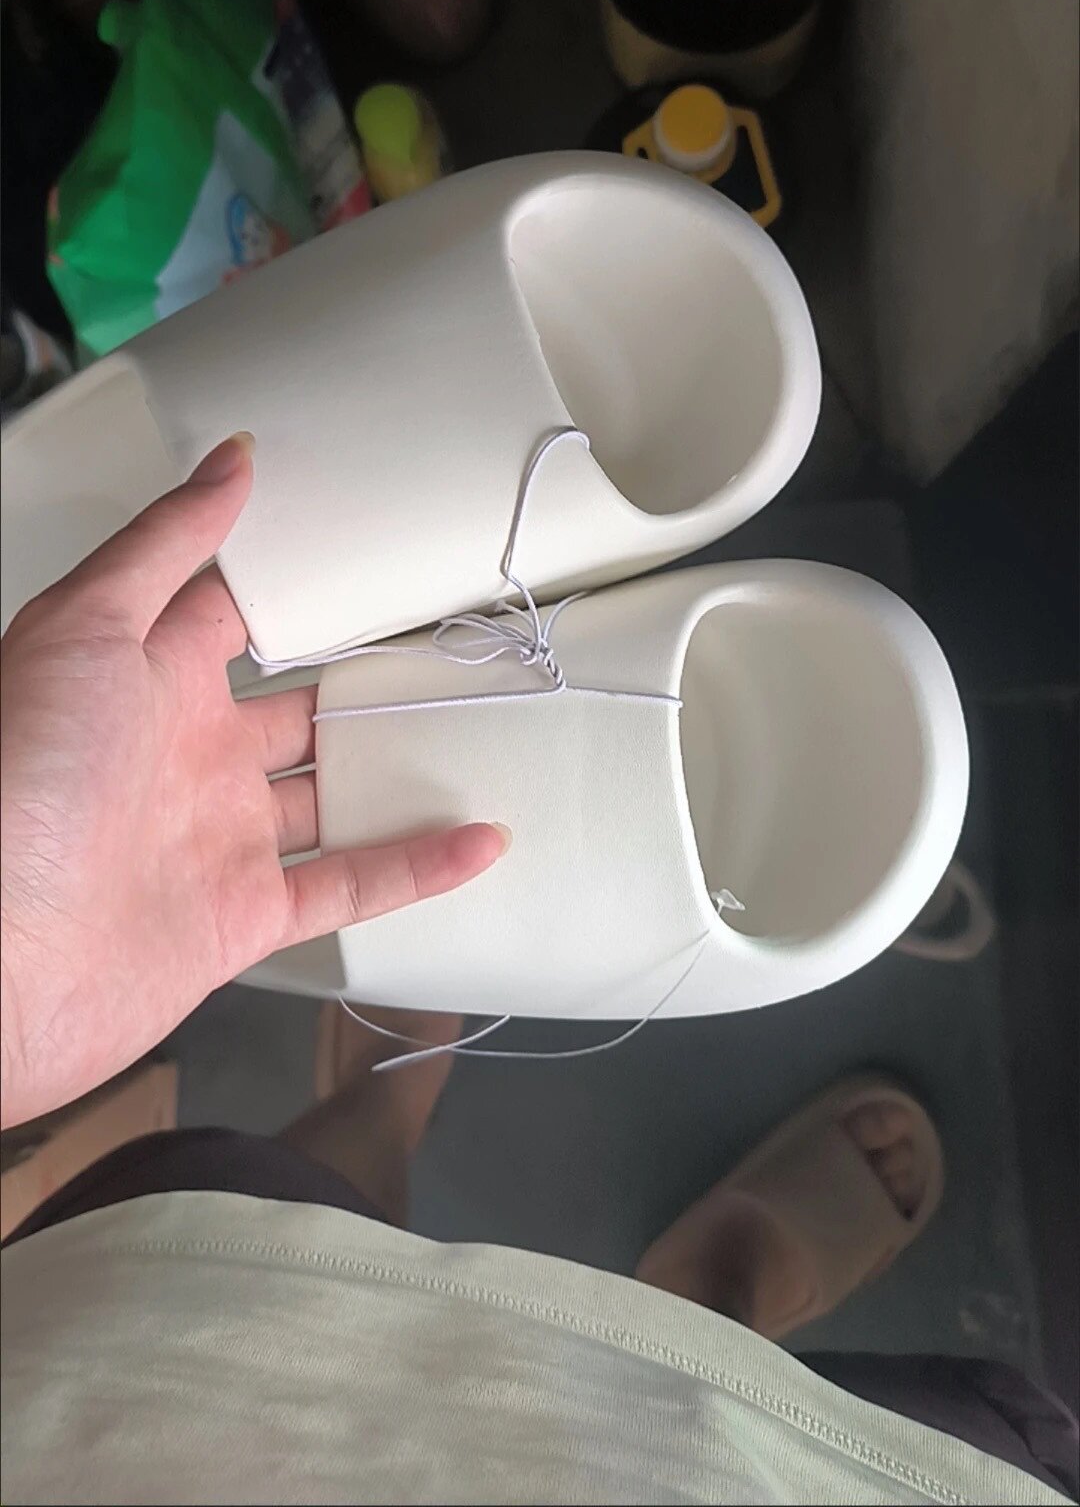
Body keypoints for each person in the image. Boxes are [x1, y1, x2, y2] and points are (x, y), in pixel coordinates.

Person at [1, 435, 1074, 1505]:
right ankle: (717, 1298)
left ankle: (377, 1118)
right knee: (710, 1432)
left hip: (117, 1401)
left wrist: (19, 975)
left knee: (260, 1239)